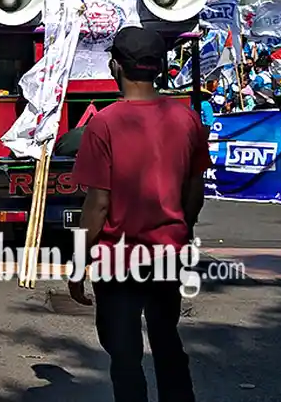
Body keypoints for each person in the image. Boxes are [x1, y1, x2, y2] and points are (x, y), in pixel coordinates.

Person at [69, 26, 206, 402]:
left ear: (116, 66)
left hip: (118, 260)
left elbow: (97, 205)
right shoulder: (187, 119)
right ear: (160, 67)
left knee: (124, 353)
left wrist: (78, 265)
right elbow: (195, 191)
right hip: (168, 253)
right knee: (166, 340)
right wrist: (182, 228)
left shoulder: (104, 124)